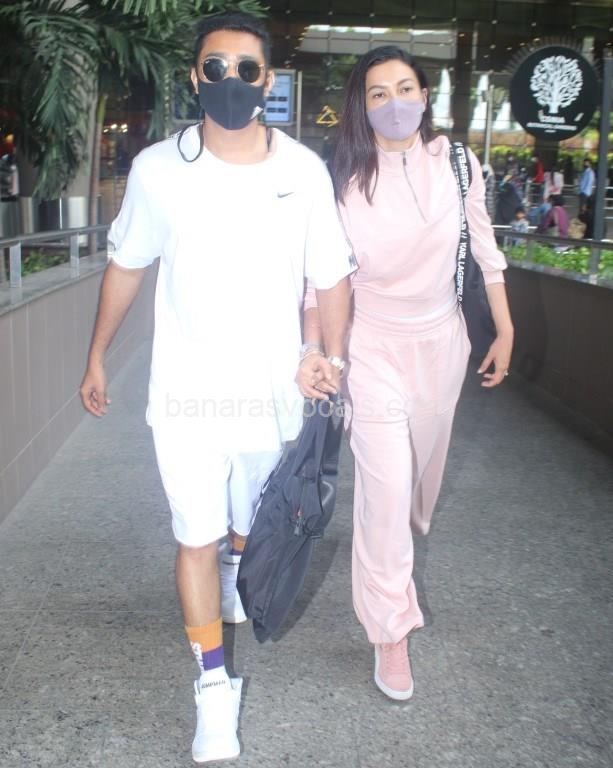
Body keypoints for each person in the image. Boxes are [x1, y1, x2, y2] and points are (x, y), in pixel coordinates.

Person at [79, 12, 354, 764]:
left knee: (248, 526)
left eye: (246, 69)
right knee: (194, 537)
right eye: (215, 67)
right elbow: (127, 265)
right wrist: (96, 354)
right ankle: (212, 687)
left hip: (270, 397)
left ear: (269, 80)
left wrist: (329, 359)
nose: (231, 80)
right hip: (185, 397)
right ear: (194, 77)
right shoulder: (157, 169)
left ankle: (237, 566)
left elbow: (331, 274)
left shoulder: (303, 171)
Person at [300, 46, 513, 702]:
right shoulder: (339, 176)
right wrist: (315, 349)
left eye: (404, 88)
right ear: (360, 107)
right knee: (386, 491)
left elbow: (485, 249)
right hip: (369, 346)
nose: (393, 103)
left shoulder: (457, 163)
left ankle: (401, 540)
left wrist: (504, 327)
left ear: (424, 95)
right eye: (376, 93)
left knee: (418, 488)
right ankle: (390, 630)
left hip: (441, 345)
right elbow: (319, 277)